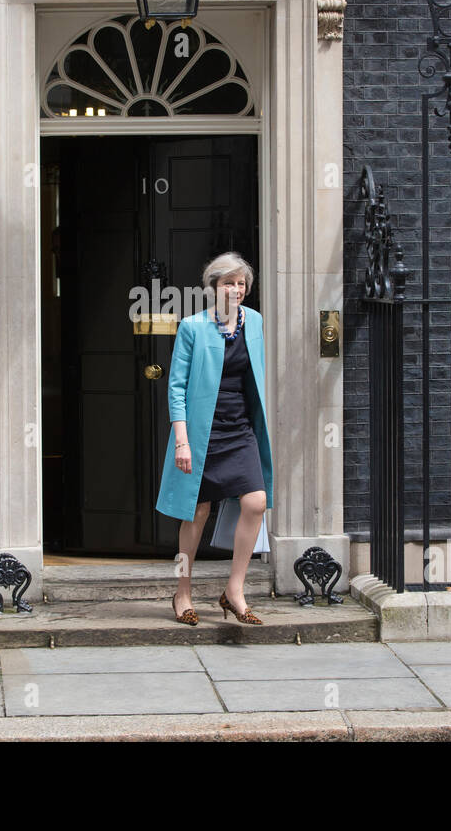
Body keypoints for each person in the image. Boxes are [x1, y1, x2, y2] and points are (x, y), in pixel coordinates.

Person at [155, 252, 274, 626]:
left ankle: (234, 590)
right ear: (213, 287)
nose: (236, 290)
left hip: (239, 429)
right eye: (228, 283)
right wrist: (182, 441)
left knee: (256, 502)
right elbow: (176, 388)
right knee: (196, 513)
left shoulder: (253, 322)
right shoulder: (192, 327)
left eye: (241, 284)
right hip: (202, 432)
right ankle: (182, 591)